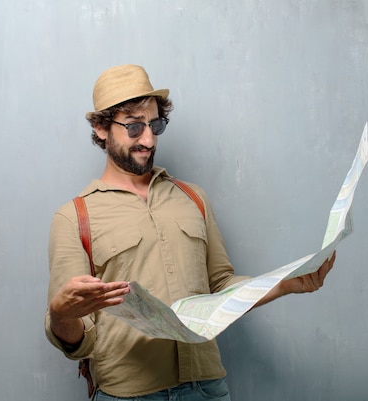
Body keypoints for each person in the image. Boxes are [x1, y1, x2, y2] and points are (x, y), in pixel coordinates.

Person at [44, 64, 336, 400]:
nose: (149, 139)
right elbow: (76, 338)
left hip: (209, 389)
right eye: (134, 127)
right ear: (100, 128)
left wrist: (286, 283)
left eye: (155, 124)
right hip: (130, 396)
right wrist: (61, 314)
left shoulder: (193, 198)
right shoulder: (73, 217)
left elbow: (221, 287)